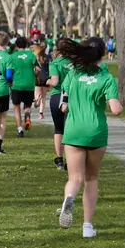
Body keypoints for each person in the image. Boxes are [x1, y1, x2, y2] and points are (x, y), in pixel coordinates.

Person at [57, 39, 123, 238]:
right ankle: (87, 226)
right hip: (95, 132)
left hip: (73, 131)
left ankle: (69, 198)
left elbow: (64, 106)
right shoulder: (107, 78)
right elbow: (115, 109)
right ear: (102, 54)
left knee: (74, 178)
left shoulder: (72, 75)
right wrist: (119, 106)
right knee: (91, 178)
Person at [47, 38, 73, 170]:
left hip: (58, 96)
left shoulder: (55, 63)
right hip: (73, 97)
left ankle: (59, 159)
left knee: (58, 129)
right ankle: (71, 160)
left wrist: (48, 82)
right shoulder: (75, 63)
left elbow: (55, 82)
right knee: (71, 129)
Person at [9, 36, 37, 137]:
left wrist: (10, 82)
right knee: (27, 105)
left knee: (16, 107)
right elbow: (38, 68)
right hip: (29, 84)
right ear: (26, 45)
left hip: (16, 85)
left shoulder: (12, 56)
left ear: (16, 45)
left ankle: (20, 130)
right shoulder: (31, 55)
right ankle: (27, 115)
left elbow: (9, 72)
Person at [32, 42, 50, 120]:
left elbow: (34, 67)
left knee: (37, 95)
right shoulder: (47, 57)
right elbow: (50, 67)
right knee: (44, 96)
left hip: (38, 77)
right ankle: (41, 113)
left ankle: (37, 100)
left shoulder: (36, 57)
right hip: (46, 78)